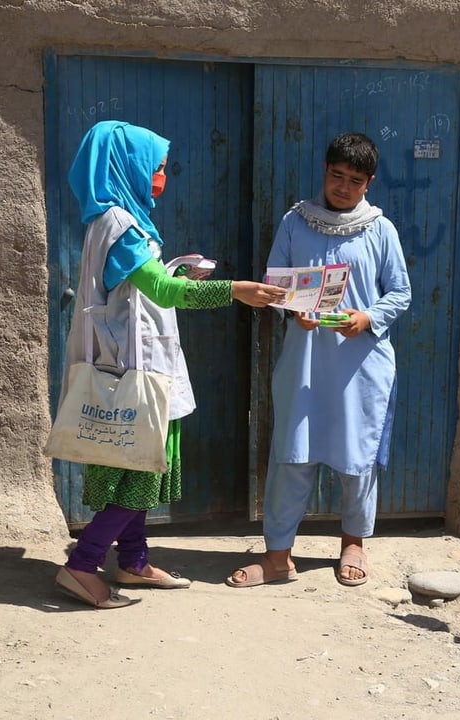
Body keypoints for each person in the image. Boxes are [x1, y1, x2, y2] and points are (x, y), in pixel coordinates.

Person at [54, 120, 286, 609]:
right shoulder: (120, 225)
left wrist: (176, 270)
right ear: (128, 166)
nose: (161, 177)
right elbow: (162, 290)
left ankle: (134, 559)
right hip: (133, 372)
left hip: (136, 364)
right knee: (141, 474)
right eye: (155, 167)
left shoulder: (111, 220)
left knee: (145, 465)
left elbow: (143, 285)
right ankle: (83, 563)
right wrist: (233, 291)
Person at [226, 132, 411, 588]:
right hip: (305, 360)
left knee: (357, 457)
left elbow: (401, 292)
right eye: (336, 175)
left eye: (354, 179)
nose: (342, 187)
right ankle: (277, 558)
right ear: (324, 172)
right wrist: (292, 309)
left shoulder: (380, 229)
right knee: (293, 454)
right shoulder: (296, 222)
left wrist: (367, 317)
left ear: (368, 183)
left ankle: (354, 542)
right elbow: (273, 282)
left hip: (360, 364)